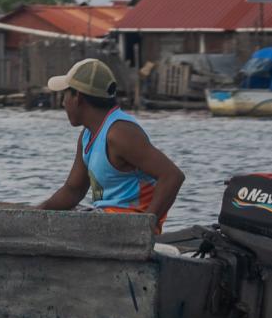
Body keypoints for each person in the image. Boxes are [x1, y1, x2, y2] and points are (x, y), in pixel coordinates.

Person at [26, 57, 184, 230]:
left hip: (125, 225)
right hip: (105, 220)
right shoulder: (87, 135)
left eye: (65, 95)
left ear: (77, 97)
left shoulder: (120, 133)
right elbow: (73, 190)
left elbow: (172, 176)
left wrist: (144, 228)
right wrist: (35, 213)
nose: (63, 102)